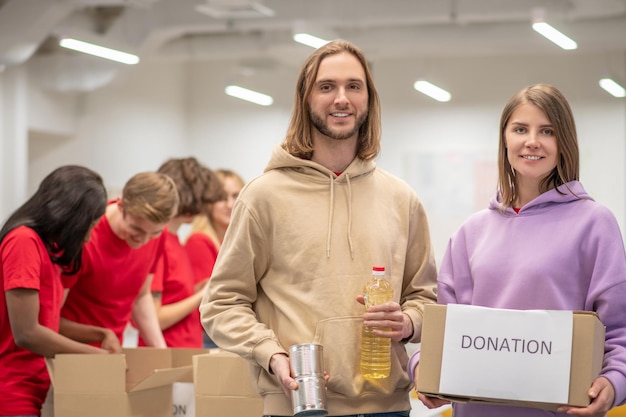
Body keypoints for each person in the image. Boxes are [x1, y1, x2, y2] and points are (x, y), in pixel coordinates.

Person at [200, 39, 438, 417]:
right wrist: (271, 353)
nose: (341, 98)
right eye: (326, 87)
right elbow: (221, 303)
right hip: (299, 405)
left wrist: (407, 322)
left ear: (368, 99)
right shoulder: (263, 196)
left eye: (353, 86)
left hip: (387, 407)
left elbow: (426, 298)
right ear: (305, 99)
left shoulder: (401, 198)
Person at [410, 84, 626, 417]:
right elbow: (444, 332)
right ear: (505, 140)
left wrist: (613, 383)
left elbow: (619, 330)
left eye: (547, 131)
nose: (532, 141)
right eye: (520, 129)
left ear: (563, 142)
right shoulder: (471, 233)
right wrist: (423, 367)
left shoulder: (595, 223)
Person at [0, 165, 121, 417]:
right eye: (89, 226)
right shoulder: (23, 241)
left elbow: (48, 323)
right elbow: (27, 333)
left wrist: (99, 333)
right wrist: (95, 355)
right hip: (11, 391)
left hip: (35, 388)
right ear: (70, 216)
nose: (87, 239)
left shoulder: (48, 248)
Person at [59, 171, 179, 348]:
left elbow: (141, 296)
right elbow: (51, 317)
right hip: (69, 350)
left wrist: (160, 348)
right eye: (136, 229)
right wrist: (101, 335)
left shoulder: (158, 236)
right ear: (121, 205)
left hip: (112, 349)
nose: (144, 240)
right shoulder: (86, 235)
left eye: (154, 233)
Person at [144, 157, 223, 347]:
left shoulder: (175, 240)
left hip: (186, 349)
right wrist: (201, 295)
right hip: (167, 353)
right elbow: (155, 317)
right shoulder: (158, 242)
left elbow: (172, 295)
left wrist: (195, 291)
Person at [185, 168, 245, 348]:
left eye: (236, 196)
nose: (229, 204)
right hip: (212, 335)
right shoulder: (199, 241)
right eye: (221, 198)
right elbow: (210, 301)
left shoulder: (232, 241)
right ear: (208, 203)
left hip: (230, 330)